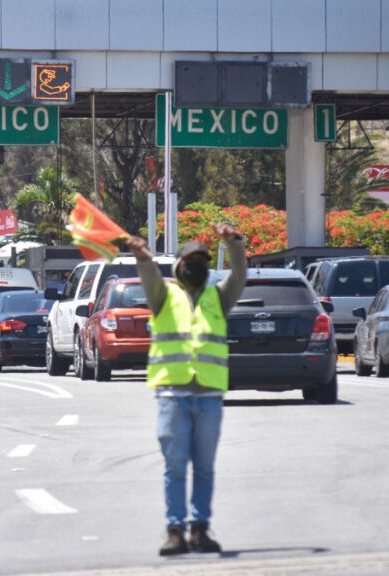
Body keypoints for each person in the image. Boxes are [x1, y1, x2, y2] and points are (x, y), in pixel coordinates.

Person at [127, 222, 246, 556]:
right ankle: (175, 530)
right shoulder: (164, 296)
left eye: (204, 261)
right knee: (175, 467)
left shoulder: (218, 297)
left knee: (205, 468)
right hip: (173, 396)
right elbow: (148, 273)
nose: (198, 265)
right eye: (191, 260)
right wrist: (142, 258)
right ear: (178, 265)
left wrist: (235, 244)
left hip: (209, 396)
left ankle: (200, 530)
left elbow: (239, 276)